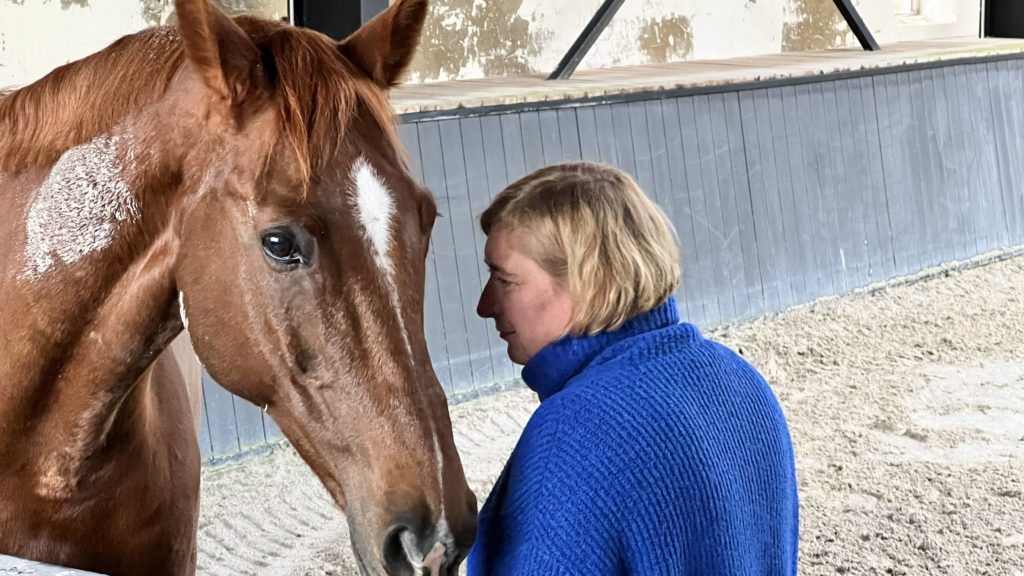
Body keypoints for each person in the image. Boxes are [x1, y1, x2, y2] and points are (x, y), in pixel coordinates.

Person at [467, 161, 799, 575]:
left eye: (505, 280)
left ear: (588, 281)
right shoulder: (739, 380)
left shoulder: (577, 429)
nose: (485, 306)